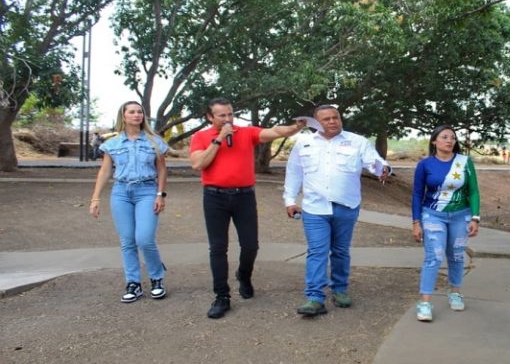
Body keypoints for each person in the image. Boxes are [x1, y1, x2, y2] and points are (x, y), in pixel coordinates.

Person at [189, 98, 306, 319]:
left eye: (230, 114)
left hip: (244, 196)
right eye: (222, 115)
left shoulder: (245, 132)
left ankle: (244, 275)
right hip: (215, 197)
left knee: (251, 245)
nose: (227, 119)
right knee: (217, 248)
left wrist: (295, 128)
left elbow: (274, 132)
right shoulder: (201, 137)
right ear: (209, 117)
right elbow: (198, 164)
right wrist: (219, 139)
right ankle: (222, 296)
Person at [283, 105, 390, 317]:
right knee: (317, 251)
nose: (333, 122)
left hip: (347, 206)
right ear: (316, 122)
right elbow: (294, 172)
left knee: (340, 251)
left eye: (336, 117)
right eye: (327, 119)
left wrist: (382, 169)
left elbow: (374, 162)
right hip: (315, 208)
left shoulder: (358, 141)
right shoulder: (304, 143)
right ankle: (314, 297)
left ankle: (340, 289)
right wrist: (290, 199)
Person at [89, 101, 169, 303]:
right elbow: (105, 171)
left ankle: (156, 277)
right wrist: (96, 198)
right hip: (121, 192)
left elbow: (161, 169)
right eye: (132, 112)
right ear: (123, 117)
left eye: (139, 112)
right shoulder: (113, 144)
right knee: (127, 241)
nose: (137, 115)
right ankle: (133, 283)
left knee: (144, 238)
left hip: (147, 190)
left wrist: (160, 194)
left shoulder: (154, 142)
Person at [411, 125, 480, 322]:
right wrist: (416, 222)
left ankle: (455, 292)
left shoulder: (465, 162)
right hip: (433, 215)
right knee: (435, 256)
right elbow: (417, 194)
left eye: (452, 137)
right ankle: (424, 302)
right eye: (444, 137)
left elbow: (474, 191)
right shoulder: (425, 165)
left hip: (461, 215)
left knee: (457, 255)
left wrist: (475, 217)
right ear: (434, 141)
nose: (449, 141)